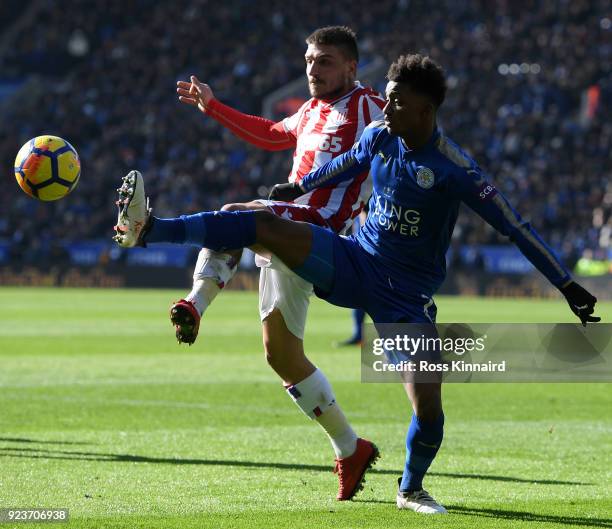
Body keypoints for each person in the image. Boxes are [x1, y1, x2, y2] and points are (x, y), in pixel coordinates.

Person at [112, 54, 599, 513]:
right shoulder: (381, 134)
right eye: (386, 96)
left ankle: (410, 487)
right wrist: (297, 188)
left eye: (398, 100)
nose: (387, 107)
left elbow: (515, 227)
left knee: (428, 407)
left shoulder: (457, 170)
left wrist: (567, 286)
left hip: (404, 296)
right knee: (258, 221)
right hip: (352, 259)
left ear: (426, 110)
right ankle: (152, 228)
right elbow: (346, 164)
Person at [174, 26, 386, 500]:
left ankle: (194, 303)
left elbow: (401, 133)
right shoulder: (310, 110)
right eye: (310, 60)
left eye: (326, 61)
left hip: (319, 229)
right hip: (289, 226)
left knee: (234, 217)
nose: (313, 69)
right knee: (282, 356)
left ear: (352, 67)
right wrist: (214, 105)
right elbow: (271, 135)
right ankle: (351, 449)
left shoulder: (370, 105)